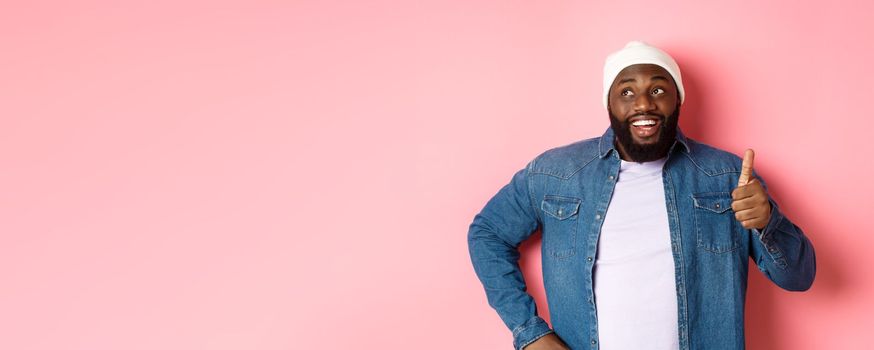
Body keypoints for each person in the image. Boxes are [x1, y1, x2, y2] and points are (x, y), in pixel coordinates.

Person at [467, 41, 816, 350]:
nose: (644, 104)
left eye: (659, 90)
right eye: (627, 92)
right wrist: (530, 334)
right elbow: (487, 233)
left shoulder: (727, 176)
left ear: (678, 98)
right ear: (609, 101)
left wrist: (768, 220)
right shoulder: (557, 173)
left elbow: (799, 278)